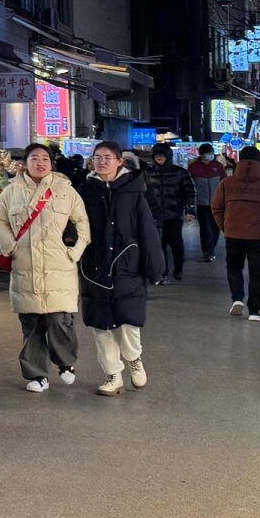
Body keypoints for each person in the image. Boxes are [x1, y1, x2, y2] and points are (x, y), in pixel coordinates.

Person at [0, 142, 90, 392]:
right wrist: (9, 246)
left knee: (59, 319)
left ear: (51, 163)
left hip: (59, 266)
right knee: (32, 324)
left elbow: (82, 221)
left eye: (45, 159)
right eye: (34, 159)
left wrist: (75, 251)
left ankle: (66, 362)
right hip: (25, 266)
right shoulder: (12, 191)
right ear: (25, 164)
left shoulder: (65, 190)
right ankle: (36, 375)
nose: (40, 163)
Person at [79, 140, 166, 396]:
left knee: (128, 321)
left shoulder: (135, 191)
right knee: (100, 324)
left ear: (120, 162)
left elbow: (148, 231)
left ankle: (134, 359)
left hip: (128, 265)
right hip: (94, 266)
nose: (102, 161)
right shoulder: (85, 190)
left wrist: (155, 268)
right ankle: (112, 375)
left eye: (108, 157)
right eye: (97, 157)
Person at [214, 148, 260, 321]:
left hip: (233, 234)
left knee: (234, 268)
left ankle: (237, 299)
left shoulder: (227, 183)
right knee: (258, 273)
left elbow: (216, 207)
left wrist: (225, 226)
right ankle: (254, 311)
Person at [143, 145, 196, 282]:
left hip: (174, 215)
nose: (159, 158)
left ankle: (178, 268)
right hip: (153, 215)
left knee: (176, 243)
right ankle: (162, 272)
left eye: (162, 155)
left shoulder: (180, 173)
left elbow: (190, 192)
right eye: (156, 156)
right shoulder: (146, 173)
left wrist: (190, 210)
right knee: (159, 244)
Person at [188, 144, 228, 262]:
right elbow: (189, 185)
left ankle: (212, 248)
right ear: (201, 155)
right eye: (207, 154)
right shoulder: (194, 168)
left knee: (215, 228)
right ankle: (207, 251)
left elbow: (224, 183)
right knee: (205, 228)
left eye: (210, 154)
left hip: (217, 203)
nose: (209, 156)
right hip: (201, 203)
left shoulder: (218, 166)